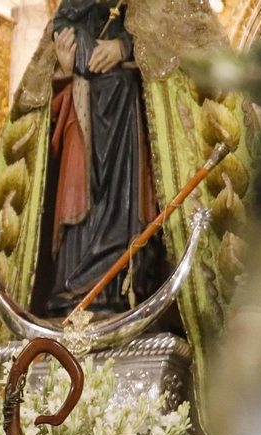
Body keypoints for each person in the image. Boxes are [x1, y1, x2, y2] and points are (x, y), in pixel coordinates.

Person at [39, 0, 161, 315]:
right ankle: (74, 286)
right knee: (79, 191)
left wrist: (123, 46)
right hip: (83, 112)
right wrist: (69, 61)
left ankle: (124, 284)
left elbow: (165, 35)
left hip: (127, 112)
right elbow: (62, 28)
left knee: (126, 198)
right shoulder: (74, 10)